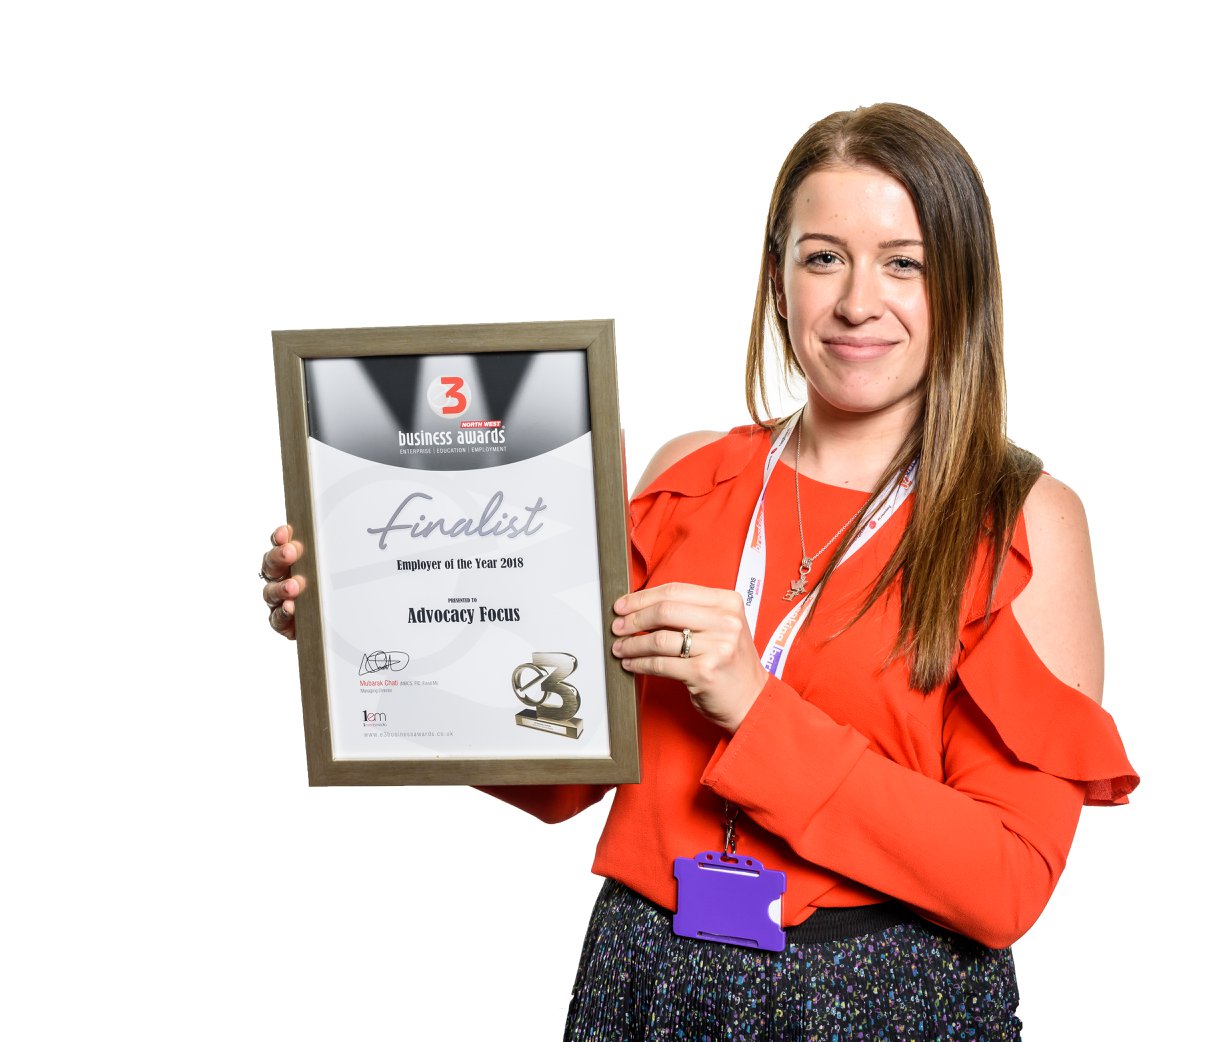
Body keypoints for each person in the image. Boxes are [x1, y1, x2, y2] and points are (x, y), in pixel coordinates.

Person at [261, 102, 1137, 1040]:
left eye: (903, 263)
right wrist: (370, 622)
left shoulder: (1022, 521)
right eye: (823, 257)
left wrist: (756, 709)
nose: (856, 301)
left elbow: (1005, 884)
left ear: (961, 285)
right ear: (778, 280)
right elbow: (560, 772)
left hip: (880, 996)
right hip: (644, 976)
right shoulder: (688, 478)